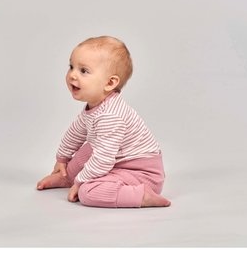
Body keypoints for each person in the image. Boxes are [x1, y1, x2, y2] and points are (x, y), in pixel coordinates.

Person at [36, 36, 171, 208]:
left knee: (87, 192)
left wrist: (81, 181)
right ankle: (67, 177)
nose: (72, 75)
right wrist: (62, 158)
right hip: (115, 161)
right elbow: (75, 132)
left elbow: (103, 159)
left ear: (109, 83)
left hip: (141, 174)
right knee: (89, 147)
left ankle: (141, 196)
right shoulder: (96, 105)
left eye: (83, 71)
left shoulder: (111, 116)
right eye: (71, 67)